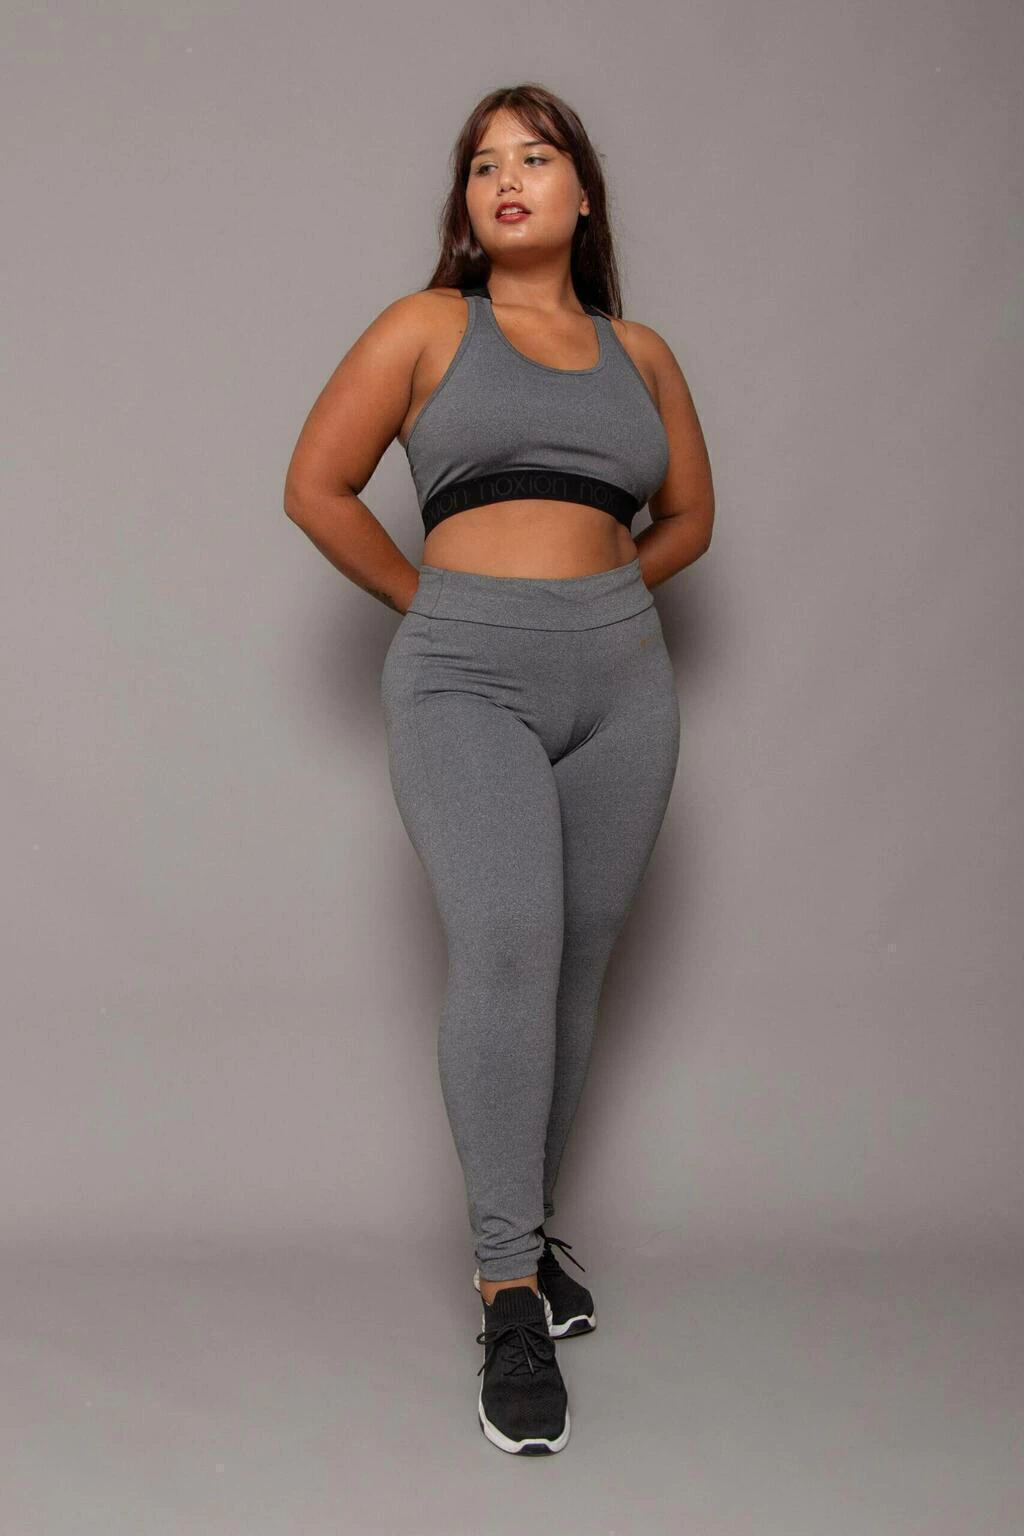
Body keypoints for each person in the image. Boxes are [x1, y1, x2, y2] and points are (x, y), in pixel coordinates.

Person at [283, 82, 714, 1456]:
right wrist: (433, 603)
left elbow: (691, 518)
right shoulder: (427, 326)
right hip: (465, 674)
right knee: (510, 947)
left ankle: (528, 1235)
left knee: (575, 970)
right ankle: (509, 1294)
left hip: (624, 684)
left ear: (583, 193)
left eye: (536, 157)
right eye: (483, 165)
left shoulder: (643, 354)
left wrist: (603, 604)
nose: (508, 179)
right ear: (467, 207)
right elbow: (314, 486)